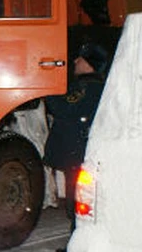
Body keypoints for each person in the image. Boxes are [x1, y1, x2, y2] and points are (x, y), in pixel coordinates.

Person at [44, 42, 109, 228]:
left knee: (79, 201)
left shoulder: (88, 87)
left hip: (76, 152)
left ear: (90, 64)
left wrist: (49, 89)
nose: (76, 60)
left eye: (81, 58)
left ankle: (77, 242)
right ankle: (75, 239)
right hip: (77, 151)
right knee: (78, 200)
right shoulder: (92, 85)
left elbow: (64, 107)